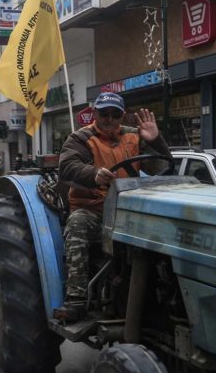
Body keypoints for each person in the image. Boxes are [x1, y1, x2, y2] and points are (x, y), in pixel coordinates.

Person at [55, 92, 171, 321]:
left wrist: (155, 140)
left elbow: (162, 168)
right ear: (95, 113)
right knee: (76, 224)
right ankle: (76, 298)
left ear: (122, 115)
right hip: (93, 210)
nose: (109, 119)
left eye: (115, 114)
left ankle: (161, 292)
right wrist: (93, 174)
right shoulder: (80, 138)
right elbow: (67, 167)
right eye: (104, 113)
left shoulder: (135, 136)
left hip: (127, 211)